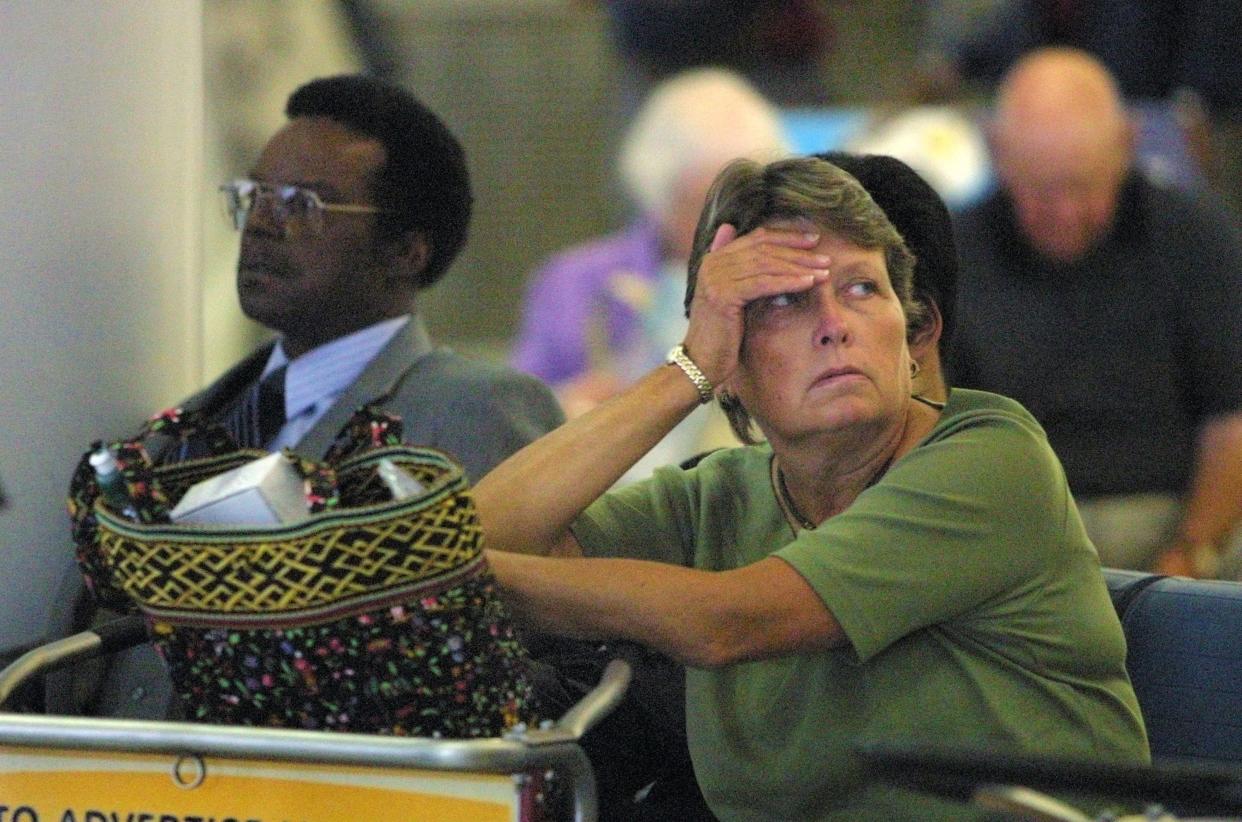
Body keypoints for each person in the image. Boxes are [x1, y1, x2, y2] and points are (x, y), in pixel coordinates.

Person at [474, 156, 1149, 819]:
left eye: (861, 288)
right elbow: (480, 535)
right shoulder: (714, 499)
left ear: (911, 334)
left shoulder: (992, 457)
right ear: (730, 360)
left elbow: (728, 621)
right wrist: (687, 371)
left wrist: (465, 577)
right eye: (783, 302)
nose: (834, 323)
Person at [47, 73, 564, 719]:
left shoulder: (471, 409)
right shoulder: (183, 428)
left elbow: (501, 664)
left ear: (406, 251)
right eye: (255, 195)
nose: (260, 223)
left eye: (301, 204)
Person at [949, 48, 1242, 578]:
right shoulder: (950, 253)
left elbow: (1233, 418)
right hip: (1009, 532)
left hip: (1177, 514)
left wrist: (1191, 555)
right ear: (997, 154)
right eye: (1041, 191)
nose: (1065, 213)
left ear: (1126, 146)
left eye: (1084, 187)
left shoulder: (1195, 236)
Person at [510, 67, 789, 479]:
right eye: (704, 205)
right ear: (660, 195)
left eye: (746, 206)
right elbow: (512, 417)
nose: (726, 228)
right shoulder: (575, 281)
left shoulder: (790, 282)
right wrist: (571, 403)